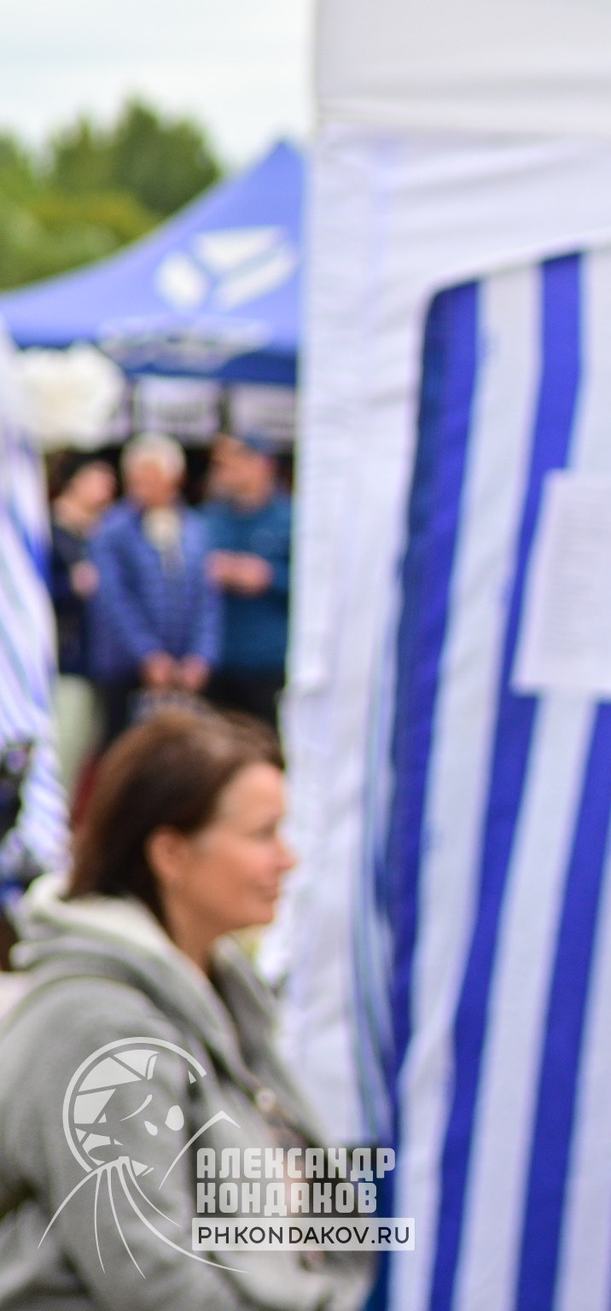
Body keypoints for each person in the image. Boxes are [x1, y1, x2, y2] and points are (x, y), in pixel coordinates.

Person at [0, 708, 373, 1310]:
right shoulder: (97, 1027)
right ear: (172, 853)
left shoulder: (225, 996)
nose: (288, 860)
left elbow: (323, 1215)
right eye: (263, 834)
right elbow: (148, 1274)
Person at [84, 435, 219, 753]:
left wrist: (201, 657)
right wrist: (147, 655)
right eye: (135, 478)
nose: (141, 486)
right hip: (123, 669)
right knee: (119, 751)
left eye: (150, 477)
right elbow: (114, 599)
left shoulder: (196, 529)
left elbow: (206, 599)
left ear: (174, 478)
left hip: (181, 670)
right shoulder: (112, 529)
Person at [200, 435, 292, 731]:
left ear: (262, 465)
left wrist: (269, 576)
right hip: (217, 662)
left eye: (234, 463)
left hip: (269, 663)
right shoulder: (208, 520)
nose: (225, 471)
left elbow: (318, 591)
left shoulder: (291, 519)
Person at [46, 458, 116, 771]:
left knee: (89, 748)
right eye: (98, 482)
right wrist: (69, 586)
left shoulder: (103, 534)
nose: (106, 492)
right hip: (62, 659)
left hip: (99, 661)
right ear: (75, 482)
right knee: (64, 747)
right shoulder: (48, 532)